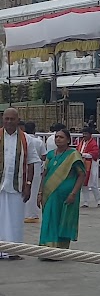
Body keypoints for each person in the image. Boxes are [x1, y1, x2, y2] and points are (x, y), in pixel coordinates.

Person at [38, 126, 86, 249]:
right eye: (56, 137)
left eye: (61, 137)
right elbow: (45, 174)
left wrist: (74, 193)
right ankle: (47, 247)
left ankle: (60, 249)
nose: (58, 139)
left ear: (68, 140)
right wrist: (40, 192)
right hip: (50, 193)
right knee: (49, 219)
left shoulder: (74, 155)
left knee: (62, 219)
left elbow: (81, 175)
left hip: (66, 195)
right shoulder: (50, 155)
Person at [0, 108, 32, 258]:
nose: (9, 122)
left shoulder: (27, 139)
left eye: (12, 119)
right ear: (2, 119)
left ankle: (14, 251)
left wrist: (29, 184)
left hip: (17, 185)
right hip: (1, 184)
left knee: (15, 218)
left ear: (18, 120)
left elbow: (32, 163)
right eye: (6, 119)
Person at [22, 121, 46, 223]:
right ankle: (33, 214)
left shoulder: (23, 138)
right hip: (35, 165)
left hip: (23, 165)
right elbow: (44, 155)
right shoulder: (38, 141)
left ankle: (25, 213)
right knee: (34, 189)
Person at [79, 125, 100, 207]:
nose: (84, 135)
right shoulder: (81, 142)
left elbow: (94, 154)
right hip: (83, 165)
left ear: (90, 134)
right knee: (83, 184)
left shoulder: (93, 143)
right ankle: (85, 202)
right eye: (83, 134)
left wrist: (83, 155)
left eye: (86, 134)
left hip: (92, 165)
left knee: (93, 184)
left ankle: (99, 201)